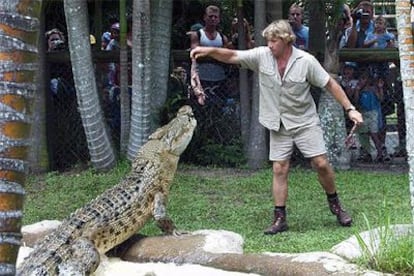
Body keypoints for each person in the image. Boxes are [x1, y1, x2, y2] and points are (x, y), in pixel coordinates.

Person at [190, 20, 363, 234]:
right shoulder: (262, 56)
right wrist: (207, 50)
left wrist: (350, 109)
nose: (270, 45)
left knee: (321, 164)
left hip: (305, 121)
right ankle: (280, 219)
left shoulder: (305, 61)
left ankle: (335, 205)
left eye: (274, 40)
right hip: (278, 123)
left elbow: (330, 84)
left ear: (286, 40)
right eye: (268, 41)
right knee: (279, 168)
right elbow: (234, 56)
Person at [363, 15, 395, 162]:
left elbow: (392, 46)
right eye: (377, 22)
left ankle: (383, 148)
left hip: (384, 70)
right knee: (371, 115)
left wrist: (389, 44)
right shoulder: (371, 35)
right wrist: (374, 41)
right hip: (373, 71)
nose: (379, 25)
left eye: (381, 22)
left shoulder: (388, 35)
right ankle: (373, 149)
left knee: (383, 113)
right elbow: (365, 45)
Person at [189, 5, 229, 105]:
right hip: (201, 79)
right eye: (210, 16)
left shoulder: (222, 38)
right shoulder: (197, 35)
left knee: (218, 107)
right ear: (204, 17)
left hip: (219, 79)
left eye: (216, 17)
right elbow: (196, 53)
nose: (213, 19)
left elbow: (227, 56)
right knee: (200, 107)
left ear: (219, 19)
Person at [354, 69, 384, 162]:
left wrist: (380, 88)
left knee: (374, 133)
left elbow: (381, 99)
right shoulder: (360, 90)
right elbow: (356, 101)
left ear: (368, 80)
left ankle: (380, 153)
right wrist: (357, 90)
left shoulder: (373, 89)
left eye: (363, 79)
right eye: (360, 79)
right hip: (363, 112)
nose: (361, 81)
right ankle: (367, 153)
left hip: (373, 113)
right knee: (363, 133)